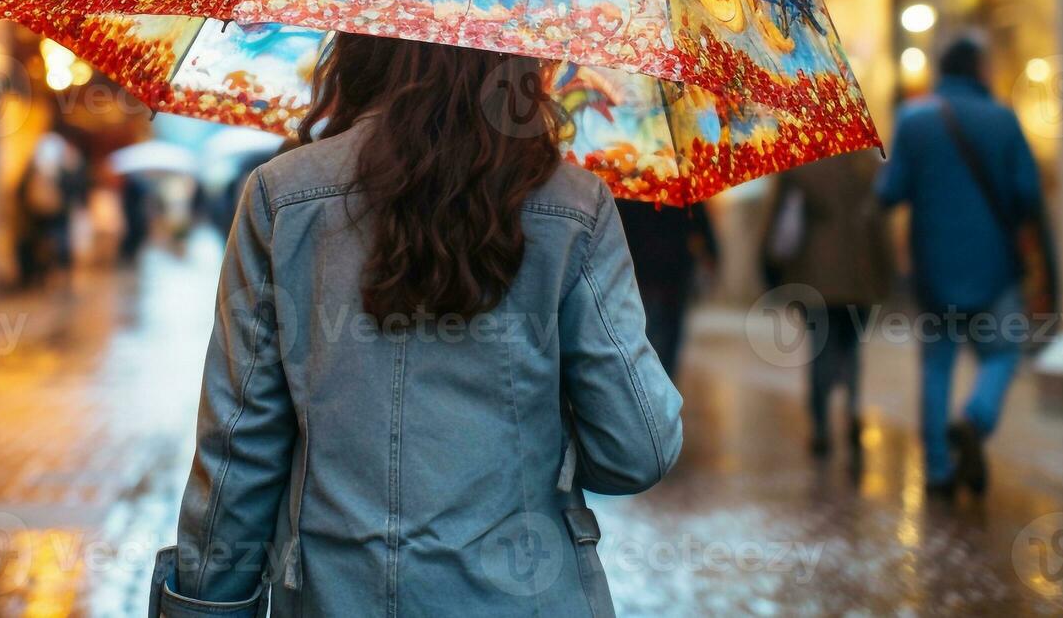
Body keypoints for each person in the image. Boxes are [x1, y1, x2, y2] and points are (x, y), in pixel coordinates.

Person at [152, 34, 683, 617]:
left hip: (337, 597)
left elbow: (238, 449)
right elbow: (636, 449)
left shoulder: (281, 198)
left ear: (358, 48)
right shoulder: (574, 206)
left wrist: (204, 605)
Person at [876, 33, 1041, 497]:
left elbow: (889, 193)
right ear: (978, 70)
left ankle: (937, 470)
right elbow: (1028, 192)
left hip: (933, 269)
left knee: (937, 366)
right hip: (995, 267)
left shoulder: (913, 120)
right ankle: (976, 418)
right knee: (1004, 352)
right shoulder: (1004, 120)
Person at [766, 149, 891, 459]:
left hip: (815, 276)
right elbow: (879, 222)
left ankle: (821, 426)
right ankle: (851, 410)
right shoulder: (867, 165)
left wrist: (770, 266)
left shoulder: (799, 164)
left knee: (820, 349)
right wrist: (887, 271)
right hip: (860, 274)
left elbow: (782, 224)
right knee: (851, 347)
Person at [614, 199, 716, 378]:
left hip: (641, 271)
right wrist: (712, 253)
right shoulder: (680, 190)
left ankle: (644, 380)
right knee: (670, 331)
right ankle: (663, 380)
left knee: (643, 328)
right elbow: (700, 223)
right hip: (673, 270)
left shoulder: (629, 190)